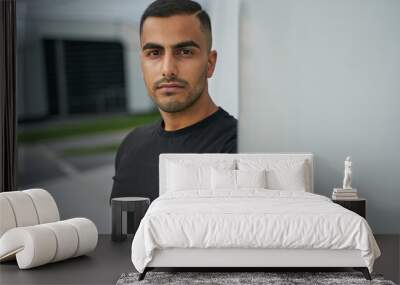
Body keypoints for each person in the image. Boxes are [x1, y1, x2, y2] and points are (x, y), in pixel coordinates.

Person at [110, 0, 237, 202]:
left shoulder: (236, 148)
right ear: (142, 65)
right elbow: (125, 233)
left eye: (184, 52)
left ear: (210, 64)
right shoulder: (131, 146)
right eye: (154, 53)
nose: (168, 69)